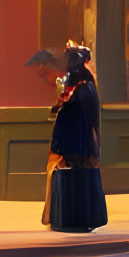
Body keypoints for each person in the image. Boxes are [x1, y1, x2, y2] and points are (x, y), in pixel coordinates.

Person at [42, 42, 108, 234]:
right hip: (74, 146)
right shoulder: (81, 89)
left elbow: (81, 119)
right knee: (72, 178)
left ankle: (76, 218)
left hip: (76, 147)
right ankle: (70, 218)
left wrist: (65, 103)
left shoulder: (84, 90)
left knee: (77, 180)